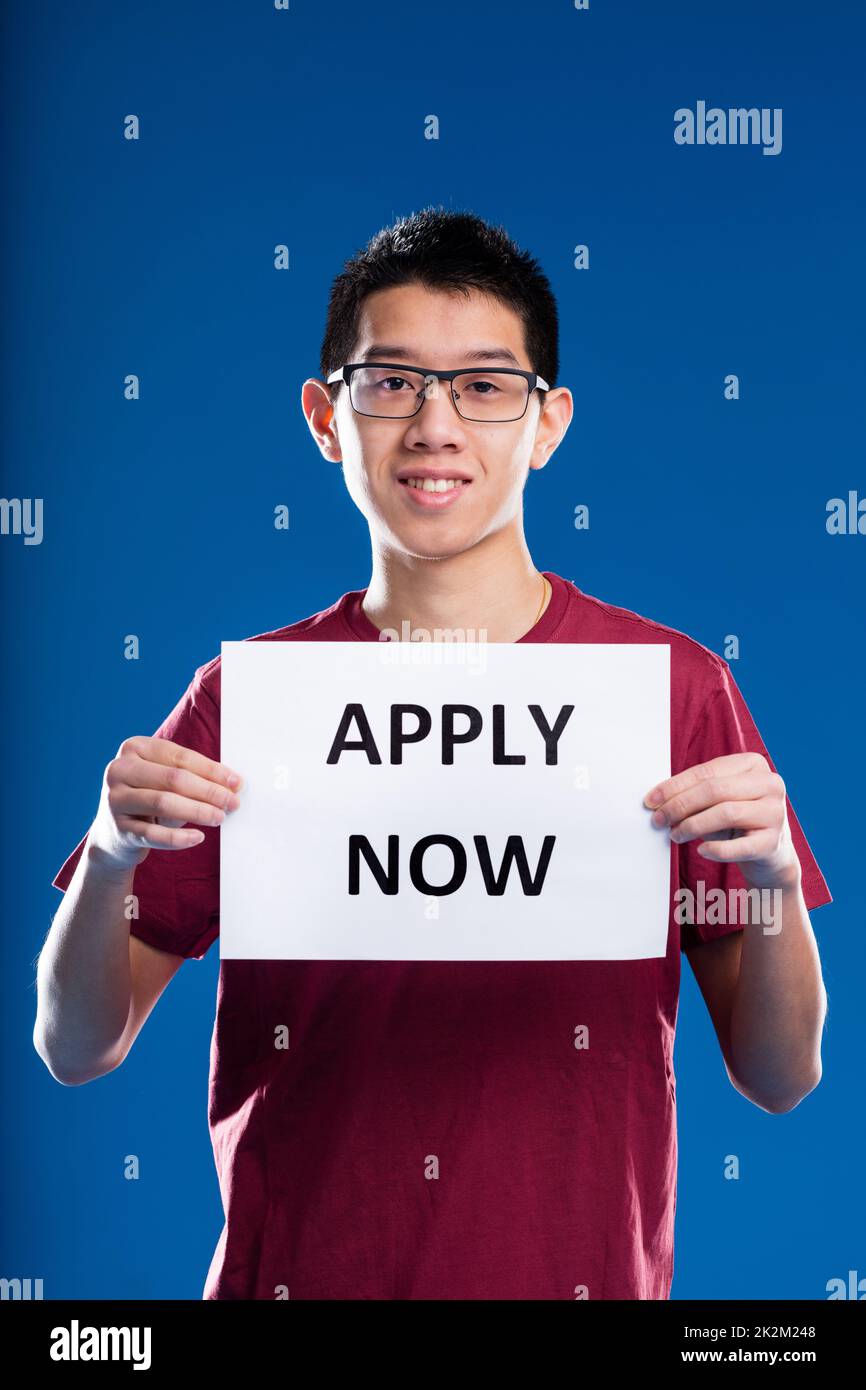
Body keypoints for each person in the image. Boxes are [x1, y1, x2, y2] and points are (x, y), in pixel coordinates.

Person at [36, 207, 831, 1300]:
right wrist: (109, 854)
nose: (435, 425)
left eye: (483, 386)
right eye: (392, 382)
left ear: (545, 424)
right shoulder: (248, 703)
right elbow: (76, 1044)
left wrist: (772, 882)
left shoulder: (673, 691)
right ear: (326, 416)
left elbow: (778, 1075)